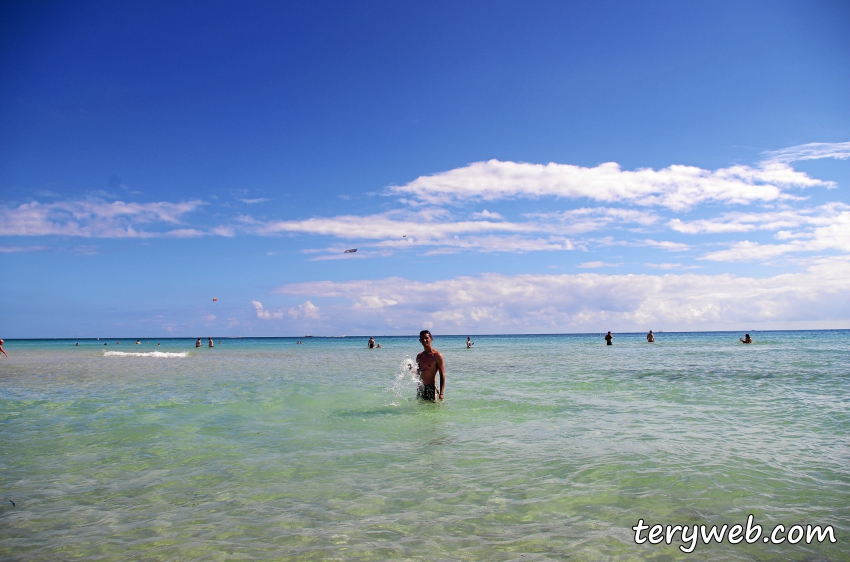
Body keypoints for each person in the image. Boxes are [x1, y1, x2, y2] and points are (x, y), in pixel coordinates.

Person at [416, 330, 445, 401]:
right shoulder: (419, 356)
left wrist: (441, 393)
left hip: (431, 387)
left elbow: (442, 375)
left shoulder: (437, 355)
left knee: (433, 410)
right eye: (422, 339)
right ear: (420, 340)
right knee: (420, 409)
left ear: (431, 339)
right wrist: (411, 369)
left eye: (426, 338)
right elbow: (419, 373)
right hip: (421, 387)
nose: (424, 340)